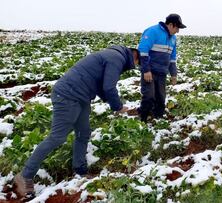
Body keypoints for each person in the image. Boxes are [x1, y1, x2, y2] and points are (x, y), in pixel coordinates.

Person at [14, 45, 139, 197]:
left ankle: (80, 171)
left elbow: (100, 84)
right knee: (57, 137)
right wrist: (117, 106)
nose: (136, 66)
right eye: (138, 63)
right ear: (135, 56)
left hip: (81, 96)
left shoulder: (112, 55)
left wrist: (111, 102)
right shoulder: (117, 58)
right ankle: (25, 175)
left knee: (83, 133)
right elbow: (108, 86)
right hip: (68, 95)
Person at [137, 13, 186, 122]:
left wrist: (173, 74)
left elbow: (172, 58)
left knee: (161, 98)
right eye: (177, 28)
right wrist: (146, 70)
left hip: (162, 73)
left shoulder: (173, 38)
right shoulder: (153, 31)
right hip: (150, 72)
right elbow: (142, 51)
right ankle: (143, 118)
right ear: (171, 25)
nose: (178, 31)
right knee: (149, 96)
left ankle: (158, 119)